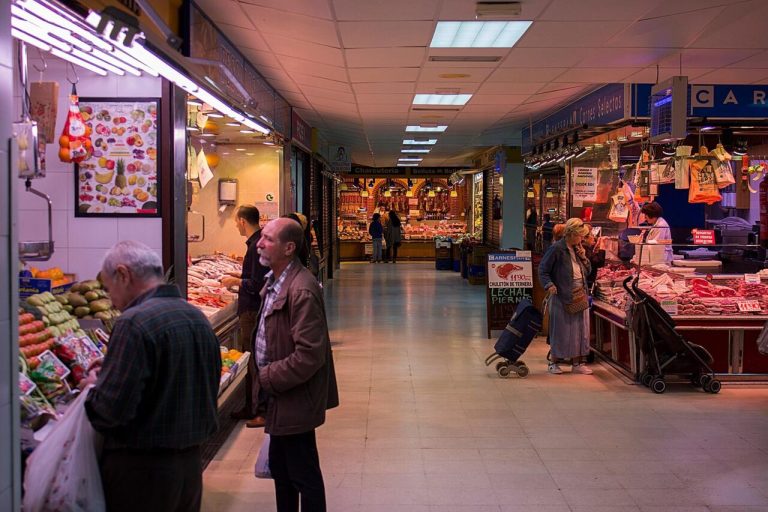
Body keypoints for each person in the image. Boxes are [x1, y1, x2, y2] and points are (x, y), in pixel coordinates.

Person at [84, 241, 221, 512]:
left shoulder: (133, 322)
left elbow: (110, 412)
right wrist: (115, 367)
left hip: (141, 473)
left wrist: (93, 387)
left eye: (109, 288)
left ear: (123, 274)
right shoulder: (196, 317)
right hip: (190, 469)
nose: (111, 300)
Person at [254, 218, 339, 512]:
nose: (259, 244)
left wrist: (267, 377)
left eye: (268, 239)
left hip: (294, 396)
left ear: (289, 248)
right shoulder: (275, 282)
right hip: (281, 394)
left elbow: (309, 355)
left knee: (303, 473)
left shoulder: (300, 289)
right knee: (282, 470)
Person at [220, 205, 270, 427]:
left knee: (253, 360)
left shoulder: (255, 246)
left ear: (242, 221)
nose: (236, 226)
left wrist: (236, 281)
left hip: (251, 310)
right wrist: (237, 275)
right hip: (252, 309)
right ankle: (253, 406)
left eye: (236, 222)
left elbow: (257, 283)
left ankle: (256, 408)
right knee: (254, 359)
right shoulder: (257, 243)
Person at [538, 218, 594, 375]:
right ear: (571, 234)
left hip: (580, 293)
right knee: (561, 330)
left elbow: (587, 271)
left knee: (580, 330)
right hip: (562, 294)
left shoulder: (578, 249)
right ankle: (554, 362)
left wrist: (584, 257)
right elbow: (543, 269)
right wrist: (549, 284)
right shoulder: (557, 248)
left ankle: (577, 363)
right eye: (580, 235)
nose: (582, 239)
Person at [632, 201, 673, 266]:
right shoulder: (656, 224)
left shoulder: (661, 225)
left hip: (661, 260)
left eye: (646, 215)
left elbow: (655, 244)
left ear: (651, 214)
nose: (645, 218)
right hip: (656, 258)